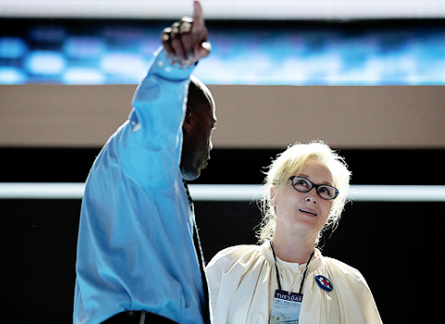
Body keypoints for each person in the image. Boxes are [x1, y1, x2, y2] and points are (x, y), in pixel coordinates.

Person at [73, 2, 216, 323]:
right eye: (211, 127)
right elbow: (155, 119)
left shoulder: (153, 185)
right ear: (188, 120)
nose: (211, 146)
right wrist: (174, 68)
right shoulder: (140, 157)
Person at [206, 141, 382, 324]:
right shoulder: (229, 267)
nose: (312, 197)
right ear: (273, 194)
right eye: (302, 183)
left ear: (331, 209)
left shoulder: (350, 284)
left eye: (324, 190)